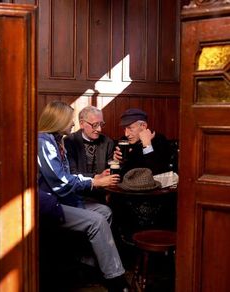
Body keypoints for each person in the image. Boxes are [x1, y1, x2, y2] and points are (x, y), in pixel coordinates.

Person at [38, 101, 130, 292]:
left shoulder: (56, 140)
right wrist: (94, 182)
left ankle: (86, 263)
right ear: (58, 120)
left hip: (62, 199)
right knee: (97, 221)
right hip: (48, 205)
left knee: (105, 211)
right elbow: (61, 183)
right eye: (70, 121)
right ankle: (116, 280)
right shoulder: (43, 142)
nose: (72, 125)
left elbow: (67, 176)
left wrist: (96, 177)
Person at [64, 105, 114, 202]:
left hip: (101, 195)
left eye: (101, 124)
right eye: (95, 125)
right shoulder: (69, 142)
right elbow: (71, 173)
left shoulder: (108, 142)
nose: (99, 129)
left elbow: (111, 172)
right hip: (77, 195)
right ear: (82, 124)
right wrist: (96, 177)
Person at [113, 108, 170, 177]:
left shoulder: (159, 140)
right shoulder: (124, 140)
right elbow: (123, 174)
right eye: (124, 129)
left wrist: (147, 145)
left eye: (130, 128)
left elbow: (156, 172)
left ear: (143, 126)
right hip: (128, 184)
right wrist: (118, 162)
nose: (126, 134)